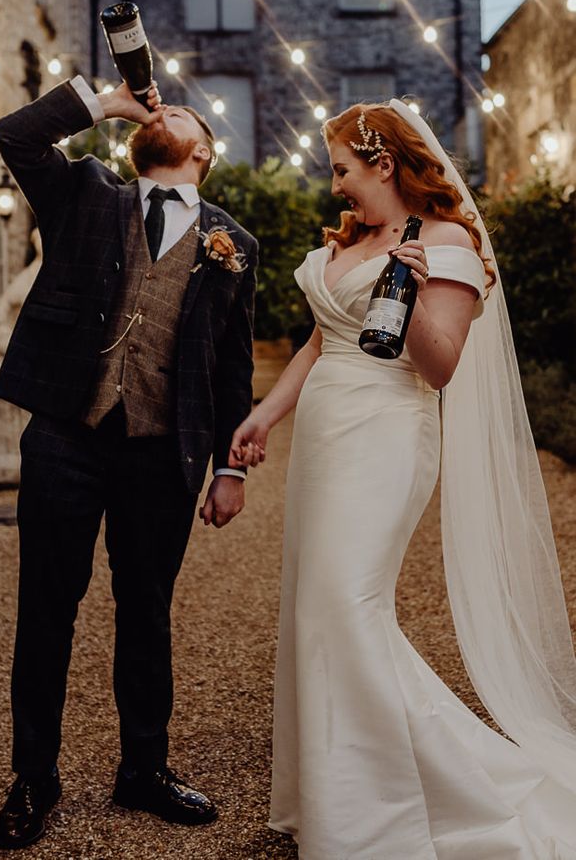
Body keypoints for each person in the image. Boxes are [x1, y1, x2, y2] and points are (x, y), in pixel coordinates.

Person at [230, 99, 576, 858]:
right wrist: (265, 416)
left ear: (382, 163)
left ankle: (413, 802)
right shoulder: (350, 243)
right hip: (324, 441)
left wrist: (414, 290)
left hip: (387, 437)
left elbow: (442, 364)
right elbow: (322, 343)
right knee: (315, 611)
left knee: (349, 608)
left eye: (343, 170)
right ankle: (337, 795)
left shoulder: (447, 240)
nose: (335, 187)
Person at [0, 76, 258, 850]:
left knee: (146, 613)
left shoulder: (233, 244)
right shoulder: (85, 193)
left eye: (177, 110)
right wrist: (101, 104)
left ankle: (143, 769)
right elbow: (14, 135)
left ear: (201, 150)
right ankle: (33, 776)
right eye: (154, 107)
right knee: (46, 611)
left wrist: (230, 468)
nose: (161, 104)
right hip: (66, 437)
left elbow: (232, 367)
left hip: (159, 450)